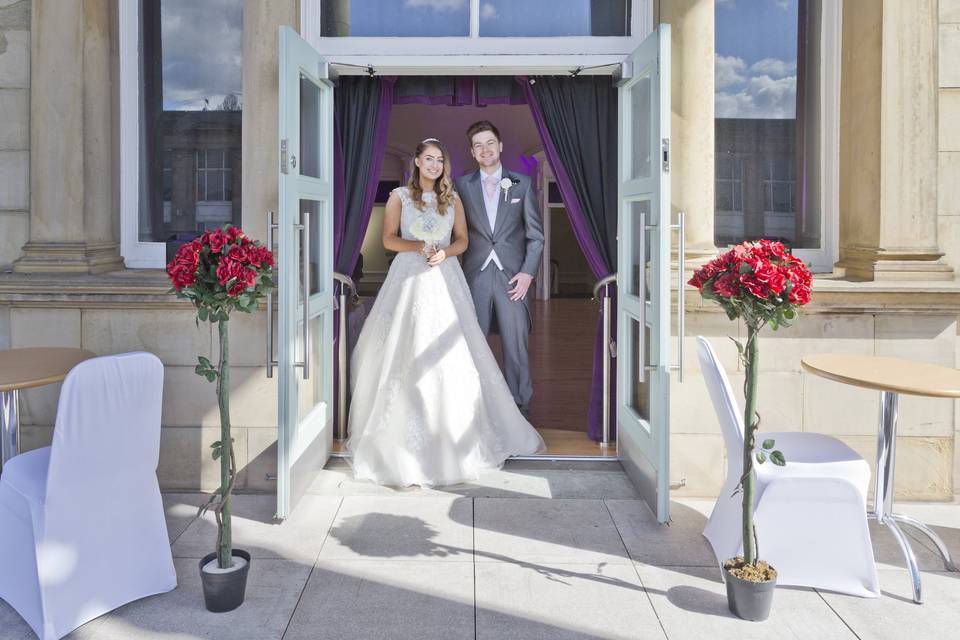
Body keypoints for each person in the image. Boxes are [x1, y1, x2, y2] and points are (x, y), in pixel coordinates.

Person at [347, 138, 544, 487]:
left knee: (454, 355)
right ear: (418, 163)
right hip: (408, 277)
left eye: (440, 160)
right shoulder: (399, 198)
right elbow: (388, 240)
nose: (435, 165)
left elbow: (463, 240)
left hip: (445, 276)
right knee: (405, 351)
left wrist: (445, 254)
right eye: (429, 159)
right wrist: (419, 247)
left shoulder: (452, 199)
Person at [454, 121, 544, 417]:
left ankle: (520, 407)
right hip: (475, 275)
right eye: (478, 145)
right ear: (472, 152)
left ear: (500, 145)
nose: (485, 149)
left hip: (513, 278)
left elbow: (535, 236)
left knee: (515, 346)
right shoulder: (461, 186)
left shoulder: (523, 183)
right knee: (472, 344)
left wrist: (528, 273)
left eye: (490, 142)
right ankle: (474, 405)